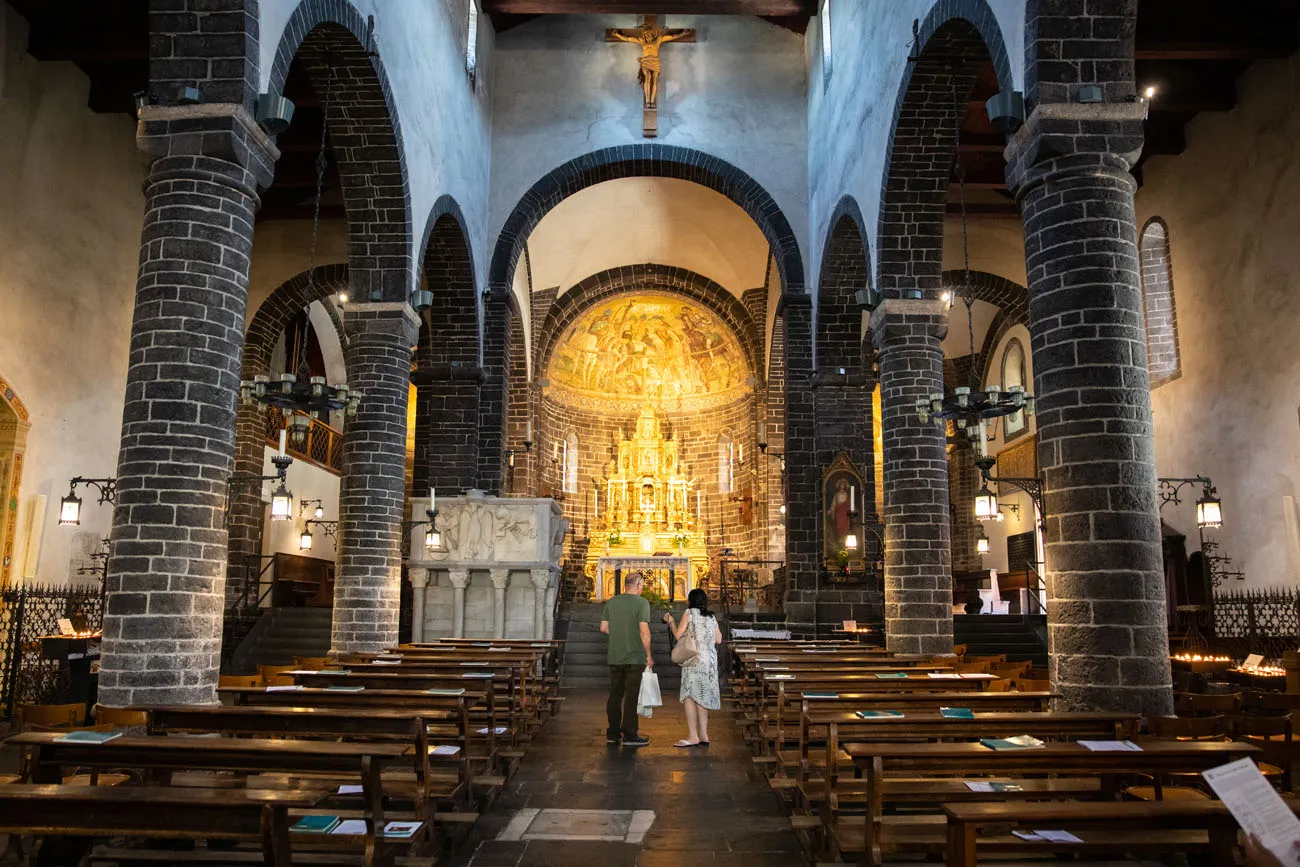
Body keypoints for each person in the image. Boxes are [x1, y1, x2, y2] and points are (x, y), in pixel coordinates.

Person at [600, 571, 654, 747]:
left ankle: (613, 733)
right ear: (638, 585)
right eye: (642, 585)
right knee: (631, 696)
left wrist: (618, 635)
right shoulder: (642, 603)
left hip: (615, 655)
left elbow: (603, 628)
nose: (642, 588)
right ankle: (630, 734)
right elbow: (644, 631)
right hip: (634, 656)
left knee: (615, 694)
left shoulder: (612, 602)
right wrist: (648, 654)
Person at [663, 588, 722, 747]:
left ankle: (693, 736)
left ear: (691, 600)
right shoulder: (711, 617)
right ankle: (704, 734)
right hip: (709, 662)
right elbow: (719, 639)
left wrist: (671, 622)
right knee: (702, 695)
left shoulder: (689, 613)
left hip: (694, 659)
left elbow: (678, 635)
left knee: (690, 695)